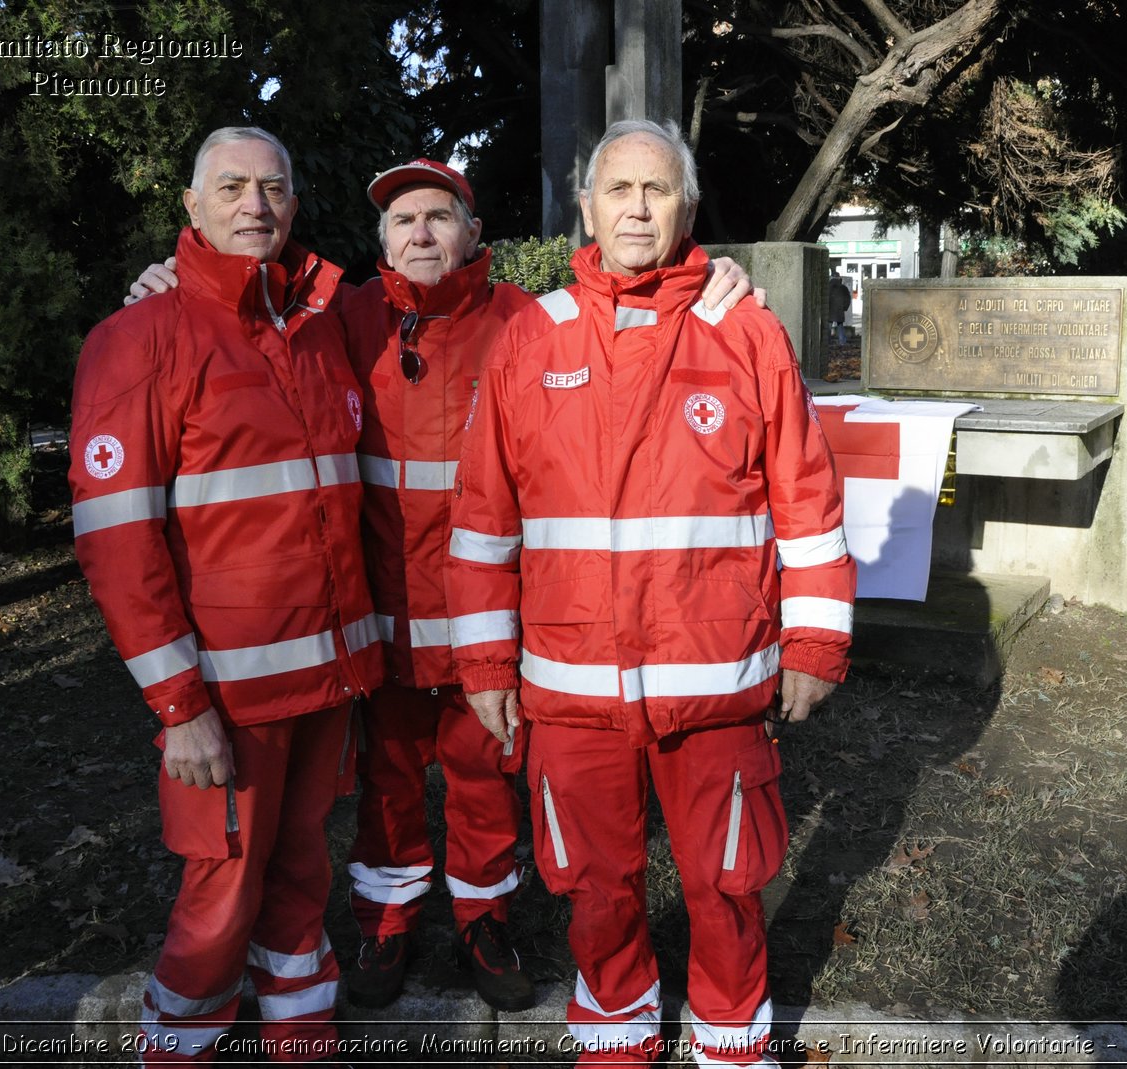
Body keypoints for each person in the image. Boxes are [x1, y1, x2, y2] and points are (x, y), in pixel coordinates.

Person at [123, 159, 761, 1015]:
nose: (419, 234)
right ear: (379, 241)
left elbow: (626, 318)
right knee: (388, 784)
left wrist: (718, 272)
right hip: (377, 624)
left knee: (486, 777)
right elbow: (245, 323)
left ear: (474, 235)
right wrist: (169, 282)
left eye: (437, 216)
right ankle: (385, 919)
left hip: (485, 622)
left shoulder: (529, 323)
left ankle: (483, 917)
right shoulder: (338, 321)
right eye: (400, 221)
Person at [448, 119, 856, 1068]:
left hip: (714, 682)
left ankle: (730, 1045)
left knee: (726, 883)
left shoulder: (744, 331)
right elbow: (482, 520)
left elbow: (806, 496)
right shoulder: (526, 339)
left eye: (657, 190)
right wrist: (482, 662)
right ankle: (618, 1038)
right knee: (595, 887)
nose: (637, 207)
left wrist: (816, 642)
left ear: (688, 208)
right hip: (572, 686)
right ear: (584, 206)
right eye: (618, 189)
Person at [70, 126, 383, 1064]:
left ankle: (302, 1038)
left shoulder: (319, 326)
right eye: (235, 187)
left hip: (325, 679)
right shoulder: (141, 338)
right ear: (192, 208)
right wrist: (179, 705)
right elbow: (118, 544)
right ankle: (179, 1045)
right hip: (224, 695)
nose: (257, 204)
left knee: (298, 878)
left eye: (275, 187)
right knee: (219, 897)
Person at [828, 274, 851, 344]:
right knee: (840, 326)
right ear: (839, 278)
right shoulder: (843, 288)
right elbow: (848, 299)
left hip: (829, 310)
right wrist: (845, 307)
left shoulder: (827, 287)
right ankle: (842, 342)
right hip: (839, 310)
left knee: (828, 327)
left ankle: (827, 342)